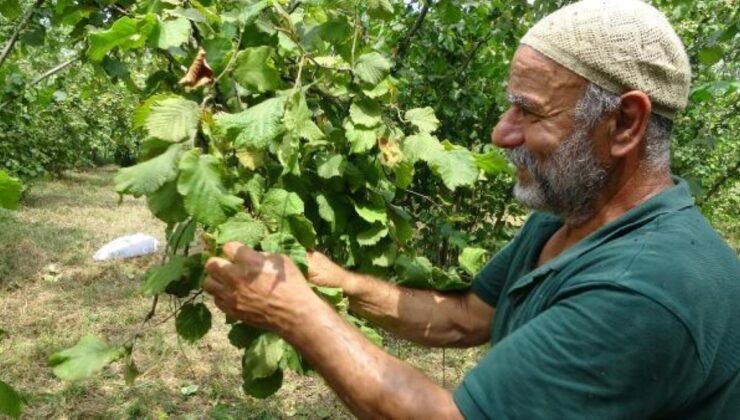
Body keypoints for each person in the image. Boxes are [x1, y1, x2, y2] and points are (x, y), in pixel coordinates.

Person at [203, 0, 740, 418]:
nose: (501, 133)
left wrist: (295, 312)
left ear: (624, 124)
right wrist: (336, 282)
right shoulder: (570, 218)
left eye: (528, 111)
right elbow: (464, 319)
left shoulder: (646, 288)